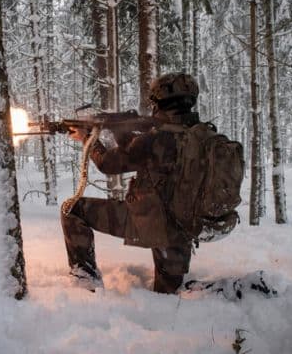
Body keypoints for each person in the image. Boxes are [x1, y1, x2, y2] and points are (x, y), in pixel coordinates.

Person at [62, 73, 200, 294]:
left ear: (159, 102)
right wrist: (120, 130)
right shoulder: (201, 135)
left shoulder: (155, 140)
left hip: (150, 221)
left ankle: (85, 282)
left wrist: (90, 140)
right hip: (183, 228)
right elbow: (139, 156)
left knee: (72, 209)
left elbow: (109, 164)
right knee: (172, 294)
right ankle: (228, 292)